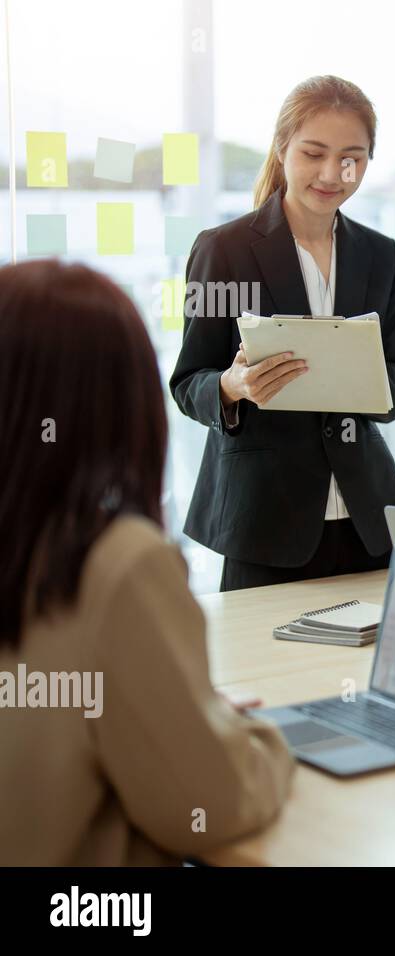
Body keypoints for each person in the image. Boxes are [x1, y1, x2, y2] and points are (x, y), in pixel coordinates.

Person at [0, 260, 295, 865]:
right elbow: (213, 804)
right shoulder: (118, 562)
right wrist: (246, 736)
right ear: (121, 397)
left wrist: (175, 712)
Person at [170, 75, 395, 591]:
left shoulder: (381, 256)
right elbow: (189, 380)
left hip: (367, 522)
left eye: (352, 157)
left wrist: (362, 380)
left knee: (370, 668)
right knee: (262, 673)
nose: (333, 173)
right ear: (282, 149)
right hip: (263, 523)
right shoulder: (224, 250)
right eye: (314, 153)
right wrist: (233, 386)